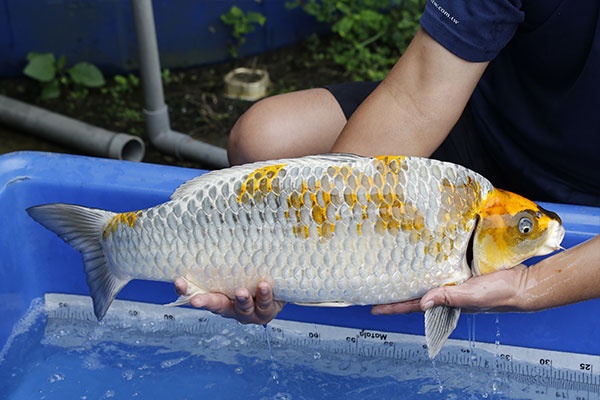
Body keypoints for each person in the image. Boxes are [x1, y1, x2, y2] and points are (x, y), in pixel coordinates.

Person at [175, 1, 600, 323]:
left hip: (587, 191)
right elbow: (416, 99)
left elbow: (533, 282)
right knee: (264, 138)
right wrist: (300, 252)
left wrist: (530, 285)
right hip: (472, 131)